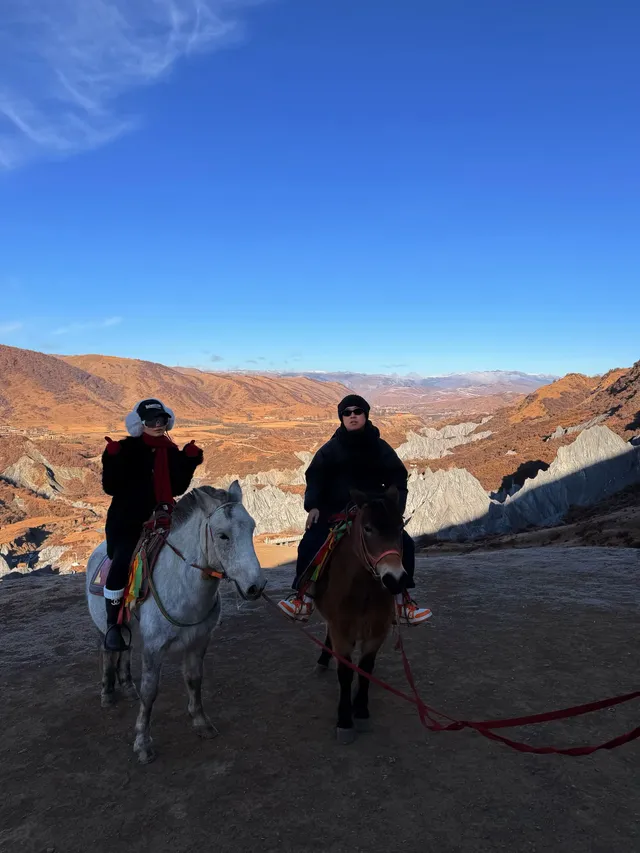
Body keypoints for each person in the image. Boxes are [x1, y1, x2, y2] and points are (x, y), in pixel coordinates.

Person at [278, 394, 432, 626]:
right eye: (347, 412)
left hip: (374, 509)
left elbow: (398, 477)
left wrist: (394, 508)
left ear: (365, 415)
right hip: (335, 510)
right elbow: (315, 477)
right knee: (311, 542)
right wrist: (313, 506)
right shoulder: (330, 449)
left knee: (405, 544)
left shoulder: (380, 448)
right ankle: (304, 599)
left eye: (357, 411)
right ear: (341, 418)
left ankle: (402, 603)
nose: (352, 416)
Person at [101, 398, 203, 650]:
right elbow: (110, 487)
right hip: (129, 521)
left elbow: (178, 487)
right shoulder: (124, 451)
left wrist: (188, 461)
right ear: (139, 424)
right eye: (151, 421)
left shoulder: (170, 452)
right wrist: (111, 460)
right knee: (123, 560)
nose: (158, 425)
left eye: (162, 420)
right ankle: (113, 625)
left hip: (164, 517)